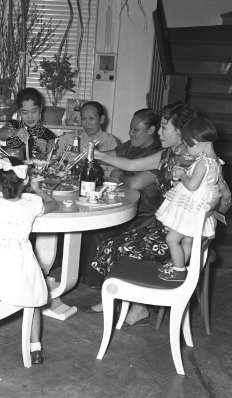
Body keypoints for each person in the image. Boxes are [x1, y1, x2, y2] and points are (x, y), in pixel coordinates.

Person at [88, 102, 231, 323]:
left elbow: (220, 207)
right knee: (108, 244)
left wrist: (225, 196)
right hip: (163, 224)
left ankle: (137, 305)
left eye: (164, 127)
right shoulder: (166, 154)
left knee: (124, 248)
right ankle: (120, 296)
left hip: (181, 233)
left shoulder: (197, 161)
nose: (159, 131)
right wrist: (97, 155)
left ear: (180, 131)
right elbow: (129, 163)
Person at [0, 156, 58, 364]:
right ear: (24, 181)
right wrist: (39, 189)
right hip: (21, 272)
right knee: (32, 304)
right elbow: (54, 204)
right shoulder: (32, 204)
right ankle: (35, 348)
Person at [79, 108, 163, 287]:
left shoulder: (158, 152)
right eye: (130, 128)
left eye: (136, 129)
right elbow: (112, 156)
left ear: (151, 130)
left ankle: (99, 285)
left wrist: (119, 176)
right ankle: (87, 280)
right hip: (122, 205)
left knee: (97, 231)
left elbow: (136, 183)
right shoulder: (132, 145)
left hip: (142, 215)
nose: (130, 133)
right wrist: (83, 156)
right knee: (90, 226)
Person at [156, 116, 223, 281]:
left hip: (190, 210)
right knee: (186, 241)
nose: (186, 150)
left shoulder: (203, 163)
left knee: (171, 238)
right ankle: (179, 266)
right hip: (197, 210)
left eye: (187, 145)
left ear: (196, 143)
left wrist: (182, 175)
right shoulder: (216, 162)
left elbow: (192, 186)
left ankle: (179, 270)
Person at [57, 101, 120, 175]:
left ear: (102, 119)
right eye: (83, 118)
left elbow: (115, 173)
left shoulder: (111, 142)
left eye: (91, 118)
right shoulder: (68, 139)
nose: (87, 123)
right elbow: (57, 164)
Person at [0, 87, 57, 158]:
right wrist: (13, 132)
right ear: (19, 111)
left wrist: (47, 153)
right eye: (25, 112)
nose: (30, 117)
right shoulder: (14, 125)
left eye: (34, 111)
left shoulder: (48, 135)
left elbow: (52, 163)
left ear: (40, 109)